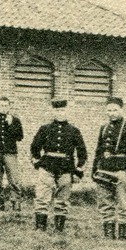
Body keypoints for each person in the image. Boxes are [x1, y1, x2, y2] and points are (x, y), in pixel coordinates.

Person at [28, 98, 87, 233]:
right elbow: (34, 148)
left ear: (67, 111)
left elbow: (82, 152)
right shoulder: (45, 129)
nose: (60, 113)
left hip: (66, 168)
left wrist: (78, 170)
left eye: (62, 110)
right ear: (52, 112)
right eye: (57, 110)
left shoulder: (74, 131)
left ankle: (59, 229)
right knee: (42, 197)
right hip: (47, 166)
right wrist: (37, 163)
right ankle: (40, 228)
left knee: (62, 199)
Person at [92, 95, 126, 240]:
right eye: (109, 110)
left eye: (115, 110)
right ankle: (108, 235)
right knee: (105, 204)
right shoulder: (104, 128)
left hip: (120, 171)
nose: (112, 113)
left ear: (121, 110)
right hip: (103, 171)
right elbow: (98, 150)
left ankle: (123, 236)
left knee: (124, 204)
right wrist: (94, 170)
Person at [0, 95, 27, 212]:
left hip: (10, 153)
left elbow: (19, 137)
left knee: (13, 179)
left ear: (10, 106)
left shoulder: (15, 120)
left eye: (6, 105)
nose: (4, 107)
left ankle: (16, 203)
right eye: (1, 105)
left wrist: (11, 125)